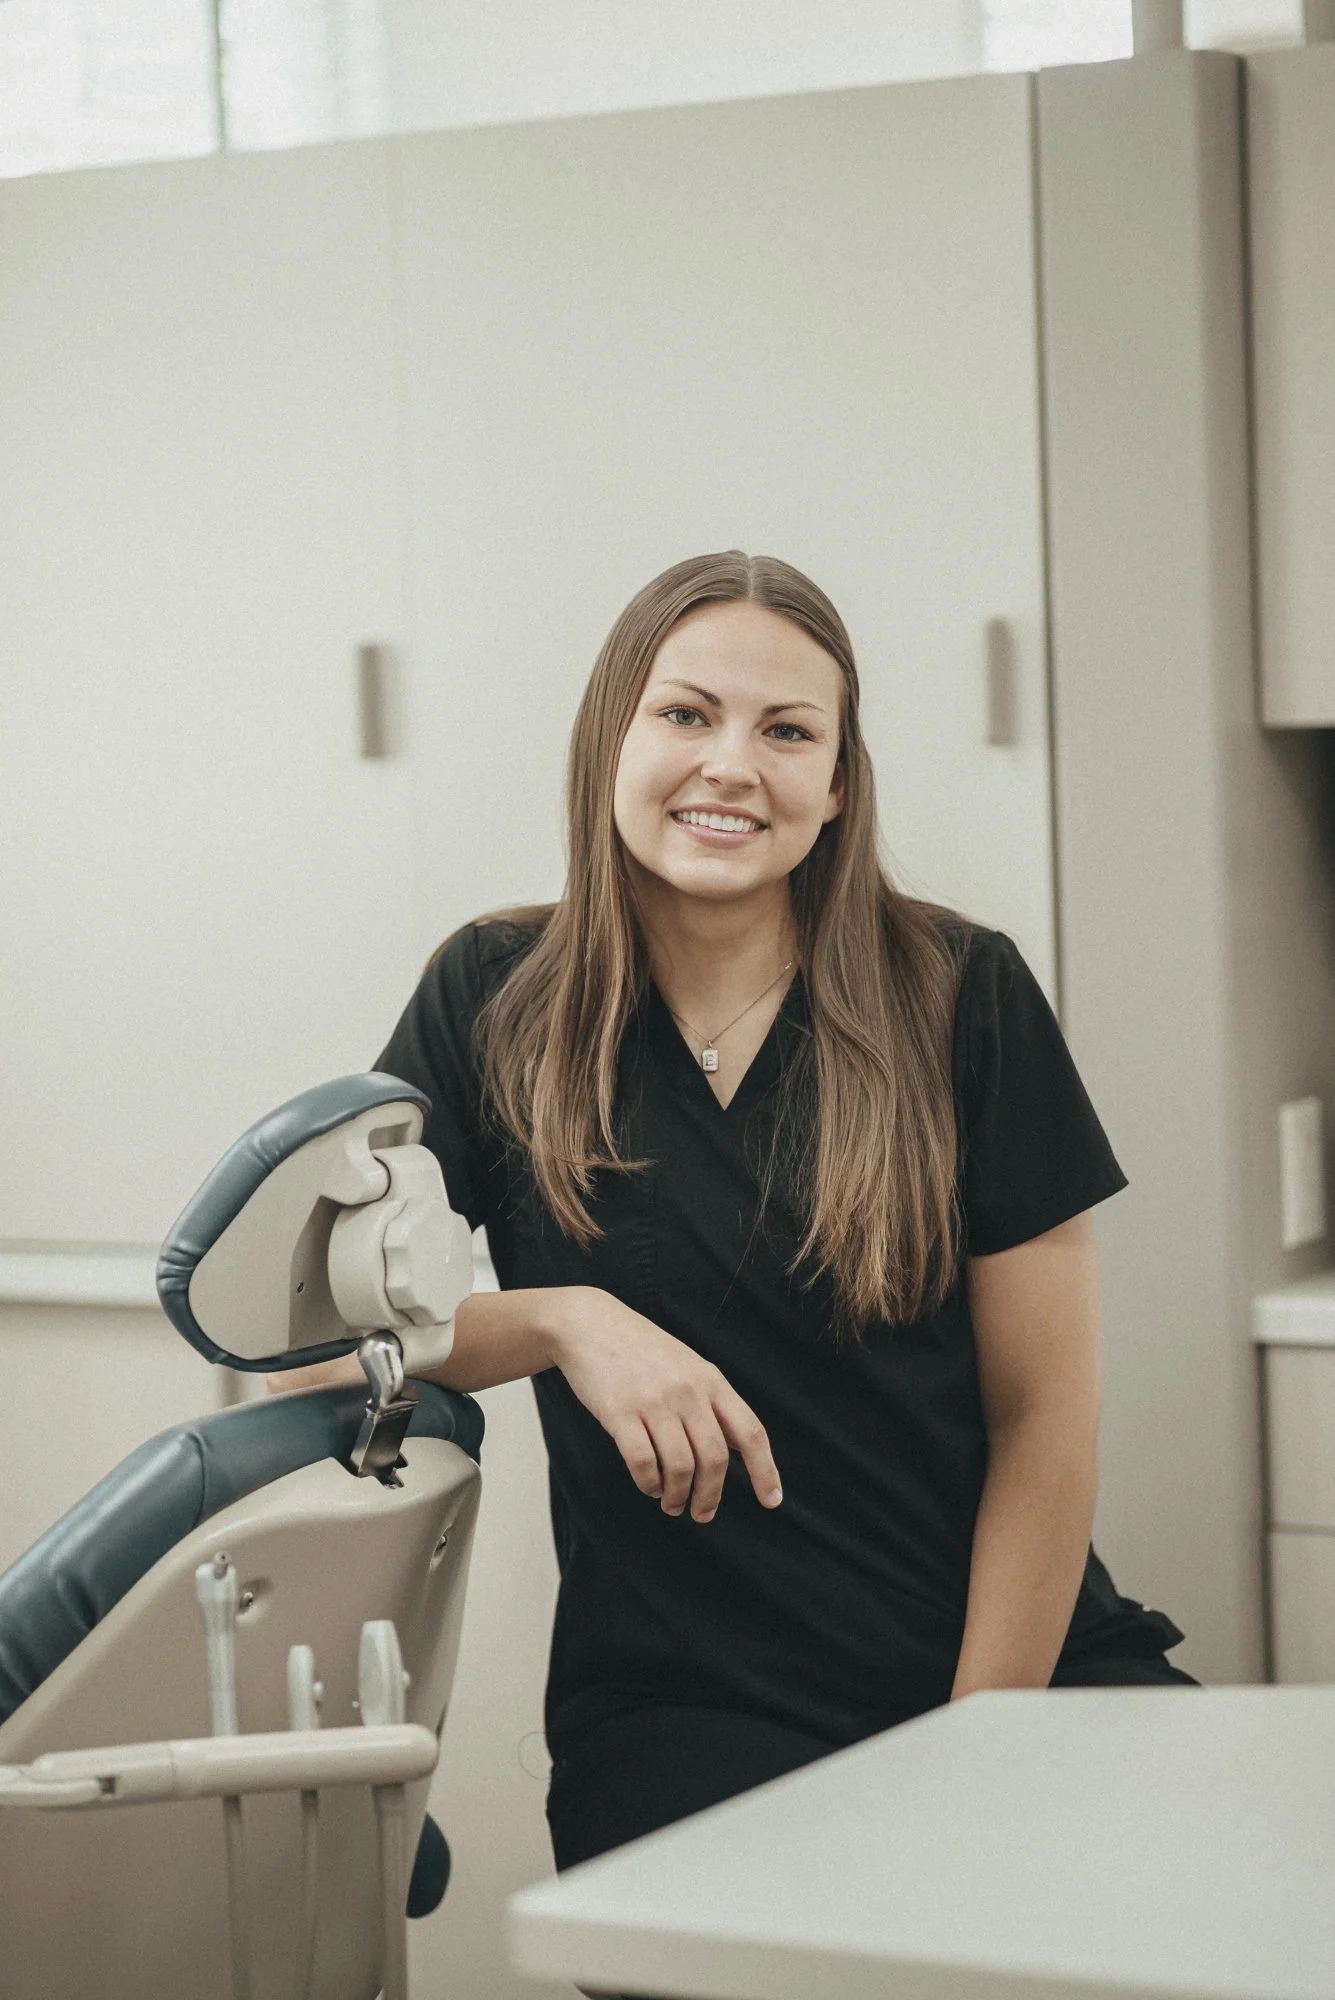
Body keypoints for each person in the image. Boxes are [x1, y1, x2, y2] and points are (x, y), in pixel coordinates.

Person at [279, 549, 1197, 1900]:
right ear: (612, 738)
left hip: (1008, 1667)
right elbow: (317, 1344)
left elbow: (1043, 1418)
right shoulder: (495, 1000)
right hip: (686, 1715)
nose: (730, 766)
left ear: (834, 787)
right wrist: (560, 1321)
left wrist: (976, 1752)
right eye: (687, 714)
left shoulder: (962, 997)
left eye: (786, 733)